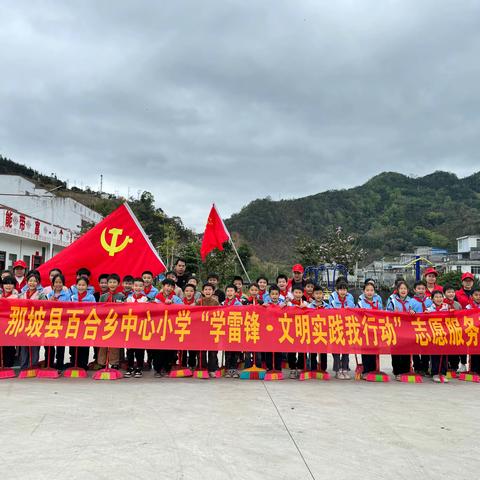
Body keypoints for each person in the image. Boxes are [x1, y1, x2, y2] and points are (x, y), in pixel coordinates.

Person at [152, 279, 182, 378]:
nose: (168, 288)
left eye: (171, 286)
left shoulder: (176, 299)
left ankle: (167, 368)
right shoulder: (156, 298)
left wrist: (173, 304)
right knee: (158, 350)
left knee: (170, 349)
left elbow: (183, 309)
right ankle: (157, 369)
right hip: (159, 327)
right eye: (166, 286)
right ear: (163, 286)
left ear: (173, 288)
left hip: (171, 327)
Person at [387, 281, 415, 380]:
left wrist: (413, 312)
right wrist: (393, 313)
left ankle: (405, 371)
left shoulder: (411, 300)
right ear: (398, 290)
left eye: (405, 289)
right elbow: (387, 312)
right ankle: (397, 372)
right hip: (395, 329)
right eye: (401, 288)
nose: (403, 290)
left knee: (406, 351)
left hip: (407, 329)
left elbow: (415, 313)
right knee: (396, 351)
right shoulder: (392, 299)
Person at [19, 271, 47, 370]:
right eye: (30, 281)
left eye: (35, 281)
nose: (32, 283)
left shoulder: (41, 295)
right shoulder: (21, 295)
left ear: (38, 283)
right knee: (24, 347)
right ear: (27, 282)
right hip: (23, 324)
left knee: (35, 346)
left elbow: (45, 308)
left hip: (36, 324)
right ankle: (23, 366)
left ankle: (34, 366)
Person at [328, 280, 355, 379]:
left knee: (346, 350)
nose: (343, 292)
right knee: (336, 350)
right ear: (337, 290)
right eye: (340, 289)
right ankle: (337, 370)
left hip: (347, 328)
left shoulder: (351, 302)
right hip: (336, 328)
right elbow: (329, 314)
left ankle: (345, 368)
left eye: (344, 290)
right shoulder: (334, 302)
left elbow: (355, 313)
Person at [98, 274, 125, 369]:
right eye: (110, 282)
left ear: (118, 284)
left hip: (116, 323)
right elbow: (98, 309)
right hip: (105, 323)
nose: (112, 284)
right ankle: (102, 362)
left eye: (114, 282)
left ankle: (114, 363)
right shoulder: (103, 296)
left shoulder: (121, 296)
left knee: (115, 344)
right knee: (103, 343)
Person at [69, 276, 95, 370]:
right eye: (79, 285)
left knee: (84, 345)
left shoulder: (91, 297)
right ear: (76, 286)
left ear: (87, 286)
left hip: (85, 324)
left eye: (83, 285)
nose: (81, 287)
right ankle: (74, 362)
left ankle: (83, 364)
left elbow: (94, 310)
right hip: (74, 324)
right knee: (73, 344)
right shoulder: (72, 297)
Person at [357, 281, 383, 376]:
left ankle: (373, 370)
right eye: (367, 290)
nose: (369, 292)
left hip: (375, 331)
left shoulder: (378, 303)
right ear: (364, 291)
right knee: (365, 351)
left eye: (371, 290)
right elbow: (357, 316)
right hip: (365, 331)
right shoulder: (360, 304)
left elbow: (382, 315)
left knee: (374, 351)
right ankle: (366, 371)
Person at [46, 273, 71, 370]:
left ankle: (60, 364)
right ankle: (50, 363)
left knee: (60, 344)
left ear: (63, 284)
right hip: (50, 322)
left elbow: (69, 308)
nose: (58, 284)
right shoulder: (48, 295)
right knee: (49, 344)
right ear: (53, 284)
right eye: (56, 282)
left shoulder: (67, 295)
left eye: (60, 282)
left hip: (62, 322)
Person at [124, 277, 147, 378]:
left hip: (141, 327)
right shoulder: (129, 299)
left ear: (143, 287)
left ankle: (139, 367)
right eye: (136, 285)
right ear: (133, 287)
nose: (138, 288)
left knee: (140, 349)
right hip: (130, 327)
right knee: (129, 349)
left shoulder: (145, 299)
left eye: (140, 286)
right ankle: (129, 367)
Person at [196, 283, 220, 377]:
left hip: (212, 329)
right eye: (205, 289)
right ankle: (202, 367)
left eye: (210, 289)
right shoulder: (199, 302)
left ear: (213, 291)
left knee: (213, 351)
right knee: (201, 350)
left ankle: (212, 369)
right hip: (201, 330)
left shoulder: (216, 302)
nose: (207, 291)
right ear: (202, 291)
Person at [426, 290, 449, 383]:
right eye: (436, 297)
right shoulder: (429, 309)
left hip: (445, 334)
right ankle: (435, 373)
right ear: (432, 299)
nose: (439, 299)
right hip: (434, 335)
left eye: (440, 297)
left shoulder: (447, 308)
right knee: (435, 355)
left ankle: (443, 373)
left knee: (444, 355)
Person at [410, 280, 433, 375]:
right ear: (414, 290)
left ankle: (425, 367)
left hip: (427, 328)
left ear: (425, 290)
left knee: (426, 348)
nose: (421, 290)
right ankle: (417, 367)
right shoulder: (411, 301)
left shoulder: (429, 301)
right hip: (415, 328)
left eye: (423, 288)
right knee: (415, 348)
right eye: (418, 288)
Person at [286, 286, 309, 378]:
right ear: (292, 293)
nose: (298, 295)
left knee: (302, 350)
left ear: (303, 294)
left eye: (300, 293)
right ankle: (292, 369)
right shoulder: (289, 304)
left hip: (302, 329)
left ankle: (300, 368)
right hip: (290, 330)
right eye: (296, 292)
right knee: (291, 350)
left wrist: (305, 307)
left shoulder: (306, 304)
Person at [442, 284, 464, 372]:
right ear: (444, 293)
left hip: (455, 331)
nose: (451, 294)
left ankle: (454, 367)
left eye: (452, 292)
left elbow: (462, 317)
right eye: (448, 292)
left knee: (455, 350)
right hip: (444, 331)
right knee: (445, 350)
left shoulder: (457, 304)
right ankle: (445, 367)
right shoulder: (442, 303)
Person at [263, 285, 285, 372]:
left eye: (276, 294)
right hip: (268, 331)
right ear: (269, 295)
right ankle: (269, 367)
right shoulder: (266, 304)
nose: (274, 296)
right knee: (268, 349)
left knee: (278, 350)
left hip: (279, 331)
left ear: (279, 295)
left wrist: (284, 306)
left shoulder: (282, 304)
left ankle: (278, 367)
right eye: (273, 294)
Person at [223, 285, 242, 378]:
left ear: (235, 293)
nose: (229, 293)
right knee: (227, 351)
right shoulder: (222, 304)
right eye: (228, 291)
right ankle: (227, 369)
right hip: (226, 331)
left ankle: (234, 369)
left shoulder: (239, 304)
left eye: (231, 291)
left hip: (236, 330)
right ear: (225, 292)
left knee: (235, 351)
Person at [308, 286, 328, 372]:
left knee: (323, 351)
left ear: (323, 295)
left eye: (320, 293)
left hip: (324, 332)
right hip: (313, 332)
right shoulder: (309, 306)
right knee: (313, 351)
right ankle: (313, 368)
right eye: (316, 294)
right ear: (313, 295)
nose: (318, 295)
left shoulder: (327, 306)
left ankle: (323, 368)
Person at [0, 276, 18, 368]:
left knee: (9, 346)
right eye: (6, 283)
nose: (8, 286)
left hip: (10, 325)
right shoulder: (0, 296)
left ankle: (8, 365)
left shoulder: (16, 297)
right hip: (1, 325)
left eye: (11, 284)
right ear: (2, 285)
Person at [466, 287, 480, 374]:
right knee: (474, 352)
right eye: (476, 295)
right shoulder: (468, 307)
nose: (478, 297)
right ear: (471, 296)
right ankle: (473, 370)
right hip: (473, 332)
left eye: (479, 295)